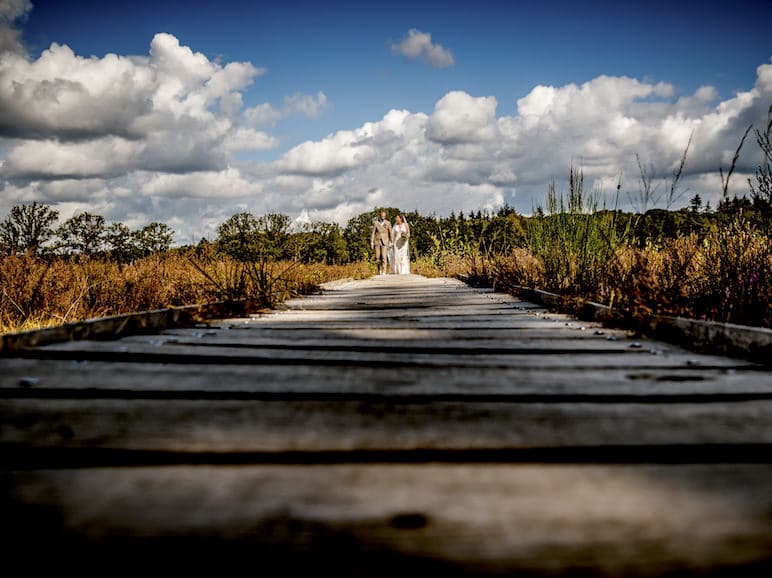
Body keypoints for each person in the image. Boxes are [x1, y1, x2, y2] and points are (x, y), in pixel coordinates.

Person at [370, 210, 392, 275]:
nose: (383, 217)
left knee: (384, 256)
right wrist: (372, 242)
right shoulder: (375, 223)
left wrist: (391, 241)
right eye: (382, 215)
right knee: (377, 257)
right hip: (377, 241)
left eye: (384, 216)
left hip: (385, 241)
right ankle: (378, 270)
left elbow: (390, 233)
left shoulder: (388, 223)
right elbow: (373, 233)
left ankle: (384, 271)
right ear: (380, 215)